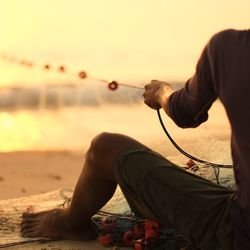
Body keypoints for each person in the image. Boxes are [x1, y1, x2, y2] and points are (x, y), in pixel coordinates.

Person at [21, 29, 250, 250]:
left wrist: (161, 91)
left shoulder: (228, 48)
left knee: (104, 148)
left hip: (241, 233)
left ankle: (70, 222)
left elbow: (184, 112)